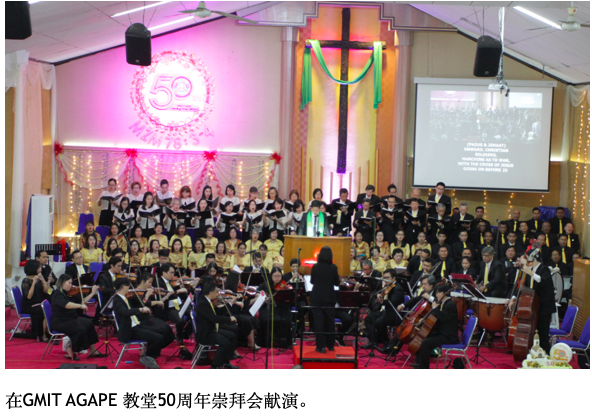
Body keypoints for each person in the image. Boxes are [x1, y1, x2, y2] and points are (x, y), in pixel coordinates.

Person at [508, 250, 556, 353]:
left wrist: (531, 273)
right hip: (532, 305)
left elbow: (543, 281)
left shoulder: (544, 269)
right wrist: (513, 297)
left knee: (542, 333)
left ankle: (546, 354)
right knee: (532, 331)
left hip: (544, 306)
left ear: (533, 259)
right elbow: (522, 286)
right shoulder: (530, 270)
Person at [378, 274, 439, 355]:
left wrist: (430, 298)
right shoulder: (424, 292)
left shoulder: (437, 292)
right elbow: (415, 299)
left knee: (409, 329)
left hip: (432, 321)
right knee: (404, 327)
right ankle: (391, 349)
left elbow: (439, 303)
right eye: (422, 284)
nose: (423, 286)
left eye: (425, 284)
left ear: (431, 285)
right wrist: (403, 305)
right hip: (421, 319)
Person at [50, 274, 105, 360]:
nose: (71, 285)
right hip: (60, 321)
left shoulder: (69, 293)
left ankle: (92, 350)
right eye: (69, 283)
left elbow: (82, 302)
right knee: (79, 329)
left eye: (71, 283)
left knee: (89, 323)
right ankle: (71, 350)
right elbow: (67, 305)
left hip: (71, 318)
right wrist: (80, 306)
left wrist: (92, 293)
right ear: (62, 283)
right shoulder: (57, 294)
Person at [112, 277, 162, 369]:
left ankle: (148, 357)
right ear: (123, 287)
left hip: (135, 325)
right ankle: (146, 357)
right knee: (158, 338)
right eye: (128, 286)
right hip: (129, 330)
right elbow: (125, 312)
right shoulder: (117, 300)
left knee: (158, 331)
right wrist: (140, 309)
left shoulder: (123, 298)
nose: (129, 288)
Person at [127, 273, 176, 357]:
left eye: (151, 282)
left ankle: (153, 349)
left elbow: (156, 304)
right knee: (163, 329)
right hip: (140, 320)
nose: (151, 285)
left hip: (148, 318)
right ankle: (150, 352)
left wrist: (166, 296)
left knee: (168, 331)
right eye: (149, 282)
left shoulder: (146, 292)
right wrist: (147, 296)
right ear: (143, 282)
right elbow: (143, 305)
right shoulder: (135, 294)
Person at [194, 280, 240, 369]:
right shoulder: (203, 303)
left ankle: (225, 362)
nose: (218, 294)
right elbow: (214, 318)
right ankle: (214, 366)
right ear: (210, 292)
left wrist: (230, 303)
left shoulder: (206, 300)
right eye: (216, 292)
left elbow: (217, 312)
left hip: (210, 329)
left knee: (232, 335)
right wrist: (229, 319)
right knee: (225, 342)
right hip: (205, 334)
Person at [414, 284, 459, 369]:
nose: (436, 295)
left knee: (426, 343)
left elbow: (443, 317)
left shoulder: (450, 305)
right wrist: (425, 319)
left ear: (442, 293)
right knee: (423, 337)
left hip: (448, 336)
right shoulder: (443, 303)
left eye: (437, 293)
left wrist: (435, 308)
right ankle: (419, 363)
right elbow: (436, 316)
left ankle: (423, 367)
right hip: (442, 333)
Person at [156, 263, 195, 359]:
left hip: (180, 305)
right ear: (164, 272)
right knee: (180, 320)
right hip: (169, 308)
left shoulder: (173, 282)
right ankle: (180, 339)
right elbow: (165, 296)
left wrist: (184, 288)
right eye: (171, 273)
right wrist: (178, 291)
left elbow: (183, 295)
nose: (173, 275)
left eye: (174, 273)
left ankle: (186, 332)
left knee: (195, 315)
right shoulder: (158, 282)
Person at [362, 269, 405, 350]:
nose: (385, 279)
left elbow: (393, 302)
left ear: (394, 278)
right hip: (385, 311)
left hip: (394, 313)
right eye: (384, 277)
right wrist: (379, 297)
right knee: (368, 319)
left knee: (379, 322)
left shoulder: (398, 289)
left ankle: (386, 342)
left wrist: (382, 301)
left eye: (387, 277)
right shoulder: (387, 287)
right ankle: (373, 342)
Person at [309, 247, 341, 353]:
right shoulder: (333, 267)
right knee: (330, 322)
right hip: (329, 297)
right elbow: (336, 283)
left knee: (318, 322)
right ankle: (331, 345)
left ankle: (321, 347)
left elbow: (312, 281)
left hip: (316, 297)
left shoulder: (315, 267)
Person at [257, 267, 293, 348]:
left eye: (279, 276)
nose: (277, 278)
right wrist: (263, 297)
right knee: (266, 319)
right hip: (267, 307)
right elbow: (257, 292)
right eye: (275, 276)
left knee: (287, 319)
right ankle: (268, 341)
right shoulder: (265, 284)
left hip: (281, 307)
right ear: (271, 276)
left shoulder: (284, 285)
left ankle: (283, 341)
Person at [21, 260, 50, 341]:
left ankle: (47, 331)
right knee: (43, 311)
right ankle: (42, 334)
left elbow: (45, 291)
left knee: (50, 308)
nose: (40, 269)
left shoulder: (39, 277)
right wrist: (33, 283)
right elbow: (29, 296)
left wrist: (43, 281)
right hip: (29, 305)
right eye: (39, 267)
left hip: (38, 303)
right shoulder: (26, 280)